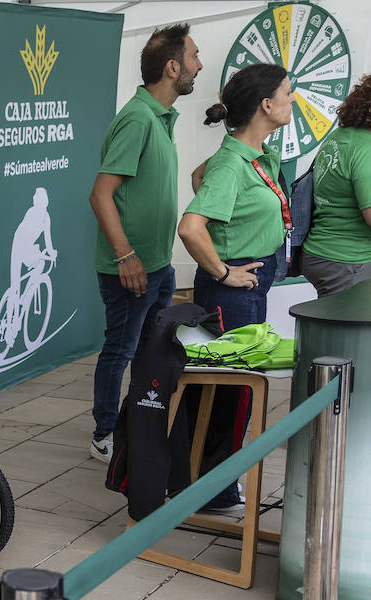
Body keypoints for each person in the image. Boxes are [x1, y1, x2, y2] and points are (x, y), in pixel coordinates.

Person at [178, 62, 293, 510]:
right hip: (232, 290)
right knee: (231, 393)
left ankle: (206, 484)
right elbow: (190, 228)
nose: (293, 99)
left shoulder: (252, 155)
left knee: (232, 390)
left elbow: (198, 177)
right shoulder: (231, 163)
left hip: (250, 285)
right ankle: (213, 491)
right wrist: (223, 270)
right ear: (266, 105)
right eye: (287, 92)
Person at [87, 23, 202, 464]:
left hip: (157, 265)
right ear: (172, 67)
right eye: (193, 56)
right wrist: (126, 255)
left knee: (148, 352)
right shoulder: (138, 119)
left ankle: (134, 422)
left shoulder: (161, 118)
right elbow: (100, 195)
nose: (199, 65)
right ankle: (103, 433)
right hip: (131, 268)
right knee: (120, 350)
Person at [303, 73, 371, 296]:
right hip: (348, 261)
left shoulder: (340, 137)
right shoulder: (366, 148)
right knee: (350, 320)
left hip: (323, 252)